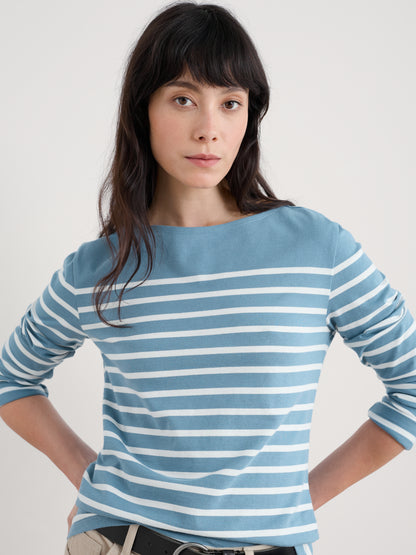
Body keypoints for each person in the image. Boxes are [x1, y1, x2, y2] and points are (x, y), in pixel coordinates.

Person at [0, 2, 415, 555]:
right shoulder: (97, 268)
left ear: (249, 116)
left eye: (230, 103)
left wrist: (298, 500)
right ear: (143, 109)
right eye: (183, 99)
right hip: (121, 540)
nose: (209, 130)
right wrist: (89, 478)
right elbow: (11, 380)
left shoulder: (318, 250)